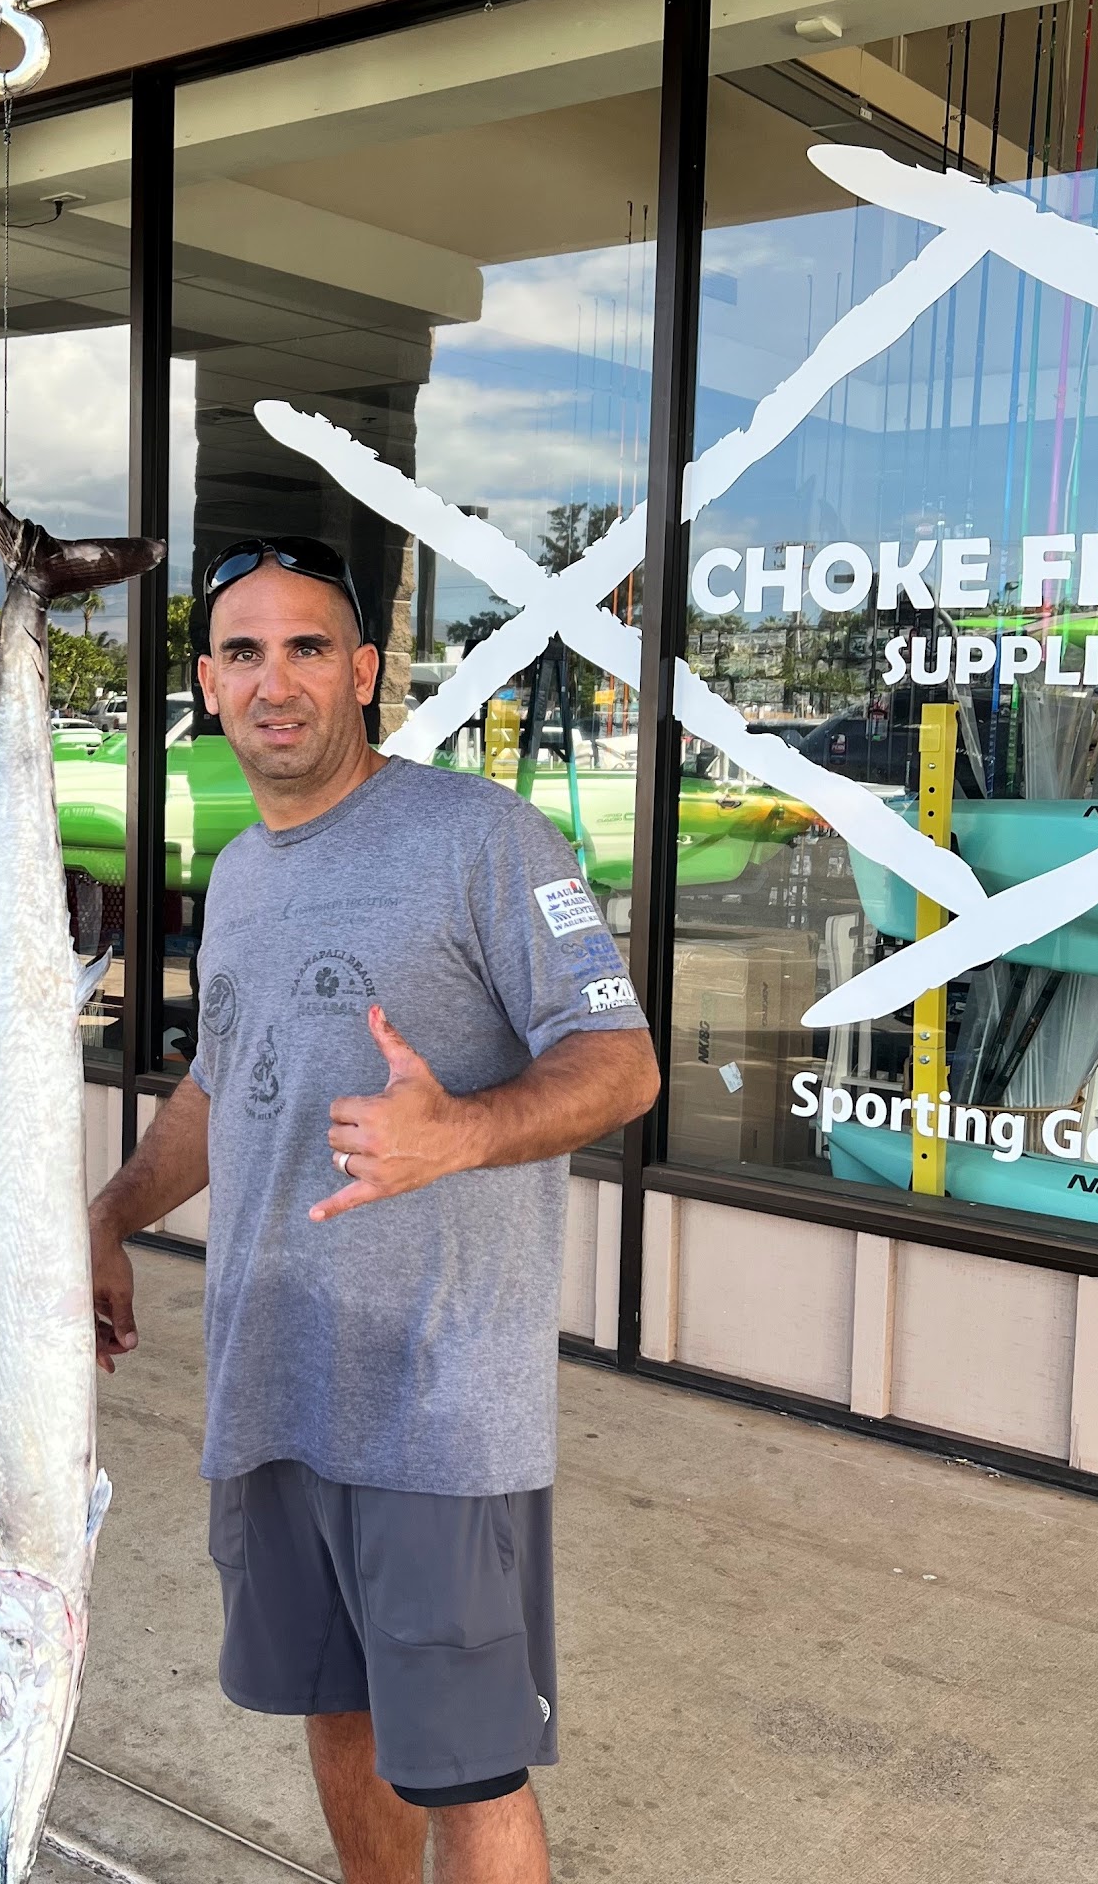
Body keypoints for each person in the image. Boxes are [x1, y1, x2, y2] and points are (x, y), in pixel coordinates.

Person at [88, 536, 660, 1884]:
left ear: (364, 673)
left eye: (304, 649)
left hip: (438, 1407)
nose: (273, 681)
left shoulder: (481, 838)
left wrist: (462, 1130)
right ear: (211, 691)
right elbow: (228, 1086)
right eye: (242, 652)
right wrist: (109, 1214)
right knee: (335, 1710)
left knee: (467, 1766)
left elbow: (621, 1061)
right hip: (274, 1382)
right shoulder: (241, 877)